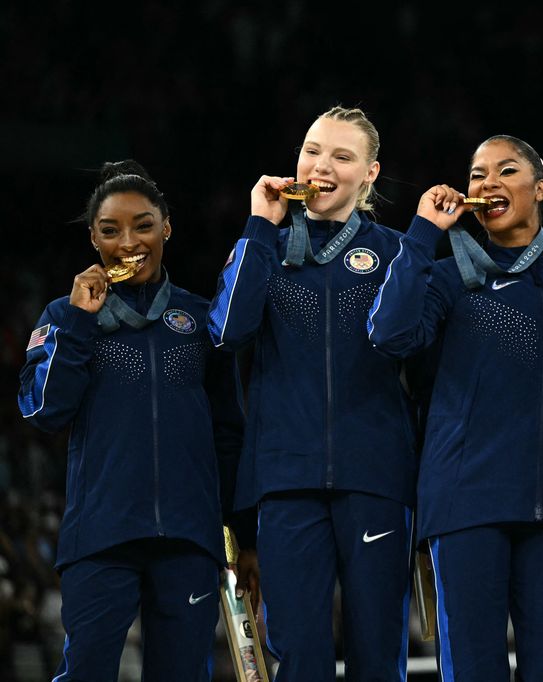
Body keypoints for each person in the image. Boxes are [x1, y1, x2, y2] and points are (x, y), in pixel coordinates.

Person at [367, 135, 543, 681]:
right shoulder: (444, 278)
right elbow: (391, 334)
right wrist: (423, 234)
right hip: (465, 506)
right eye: (476, 174)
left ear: (540, 187)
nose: (487, 183)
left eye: (506, 170)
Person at [207, 106, 419, 681]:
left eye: (342, 156)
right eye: (311, 150)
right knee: (298, 656)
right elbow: (226, 332)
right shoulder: (266, 248)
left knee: (379, 656)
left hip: (375, 477)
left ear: (370, 174)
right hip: (285, 480)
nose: (321, 165)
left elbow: (421, 367)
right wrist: (259, 224)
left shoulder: (400, 252)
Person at [18, 160, 247, 681]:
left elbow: (229, 434)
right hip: (101, 537)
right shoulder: (64, 316)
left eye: (143, 225)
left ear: (167, 227)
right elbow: (44, 411)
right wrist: (79, 323)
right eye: (110, 230)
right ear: (93, 241)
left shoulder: (201, 319)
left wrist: (241, 535)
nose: (128, 242)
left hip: (189, 538)